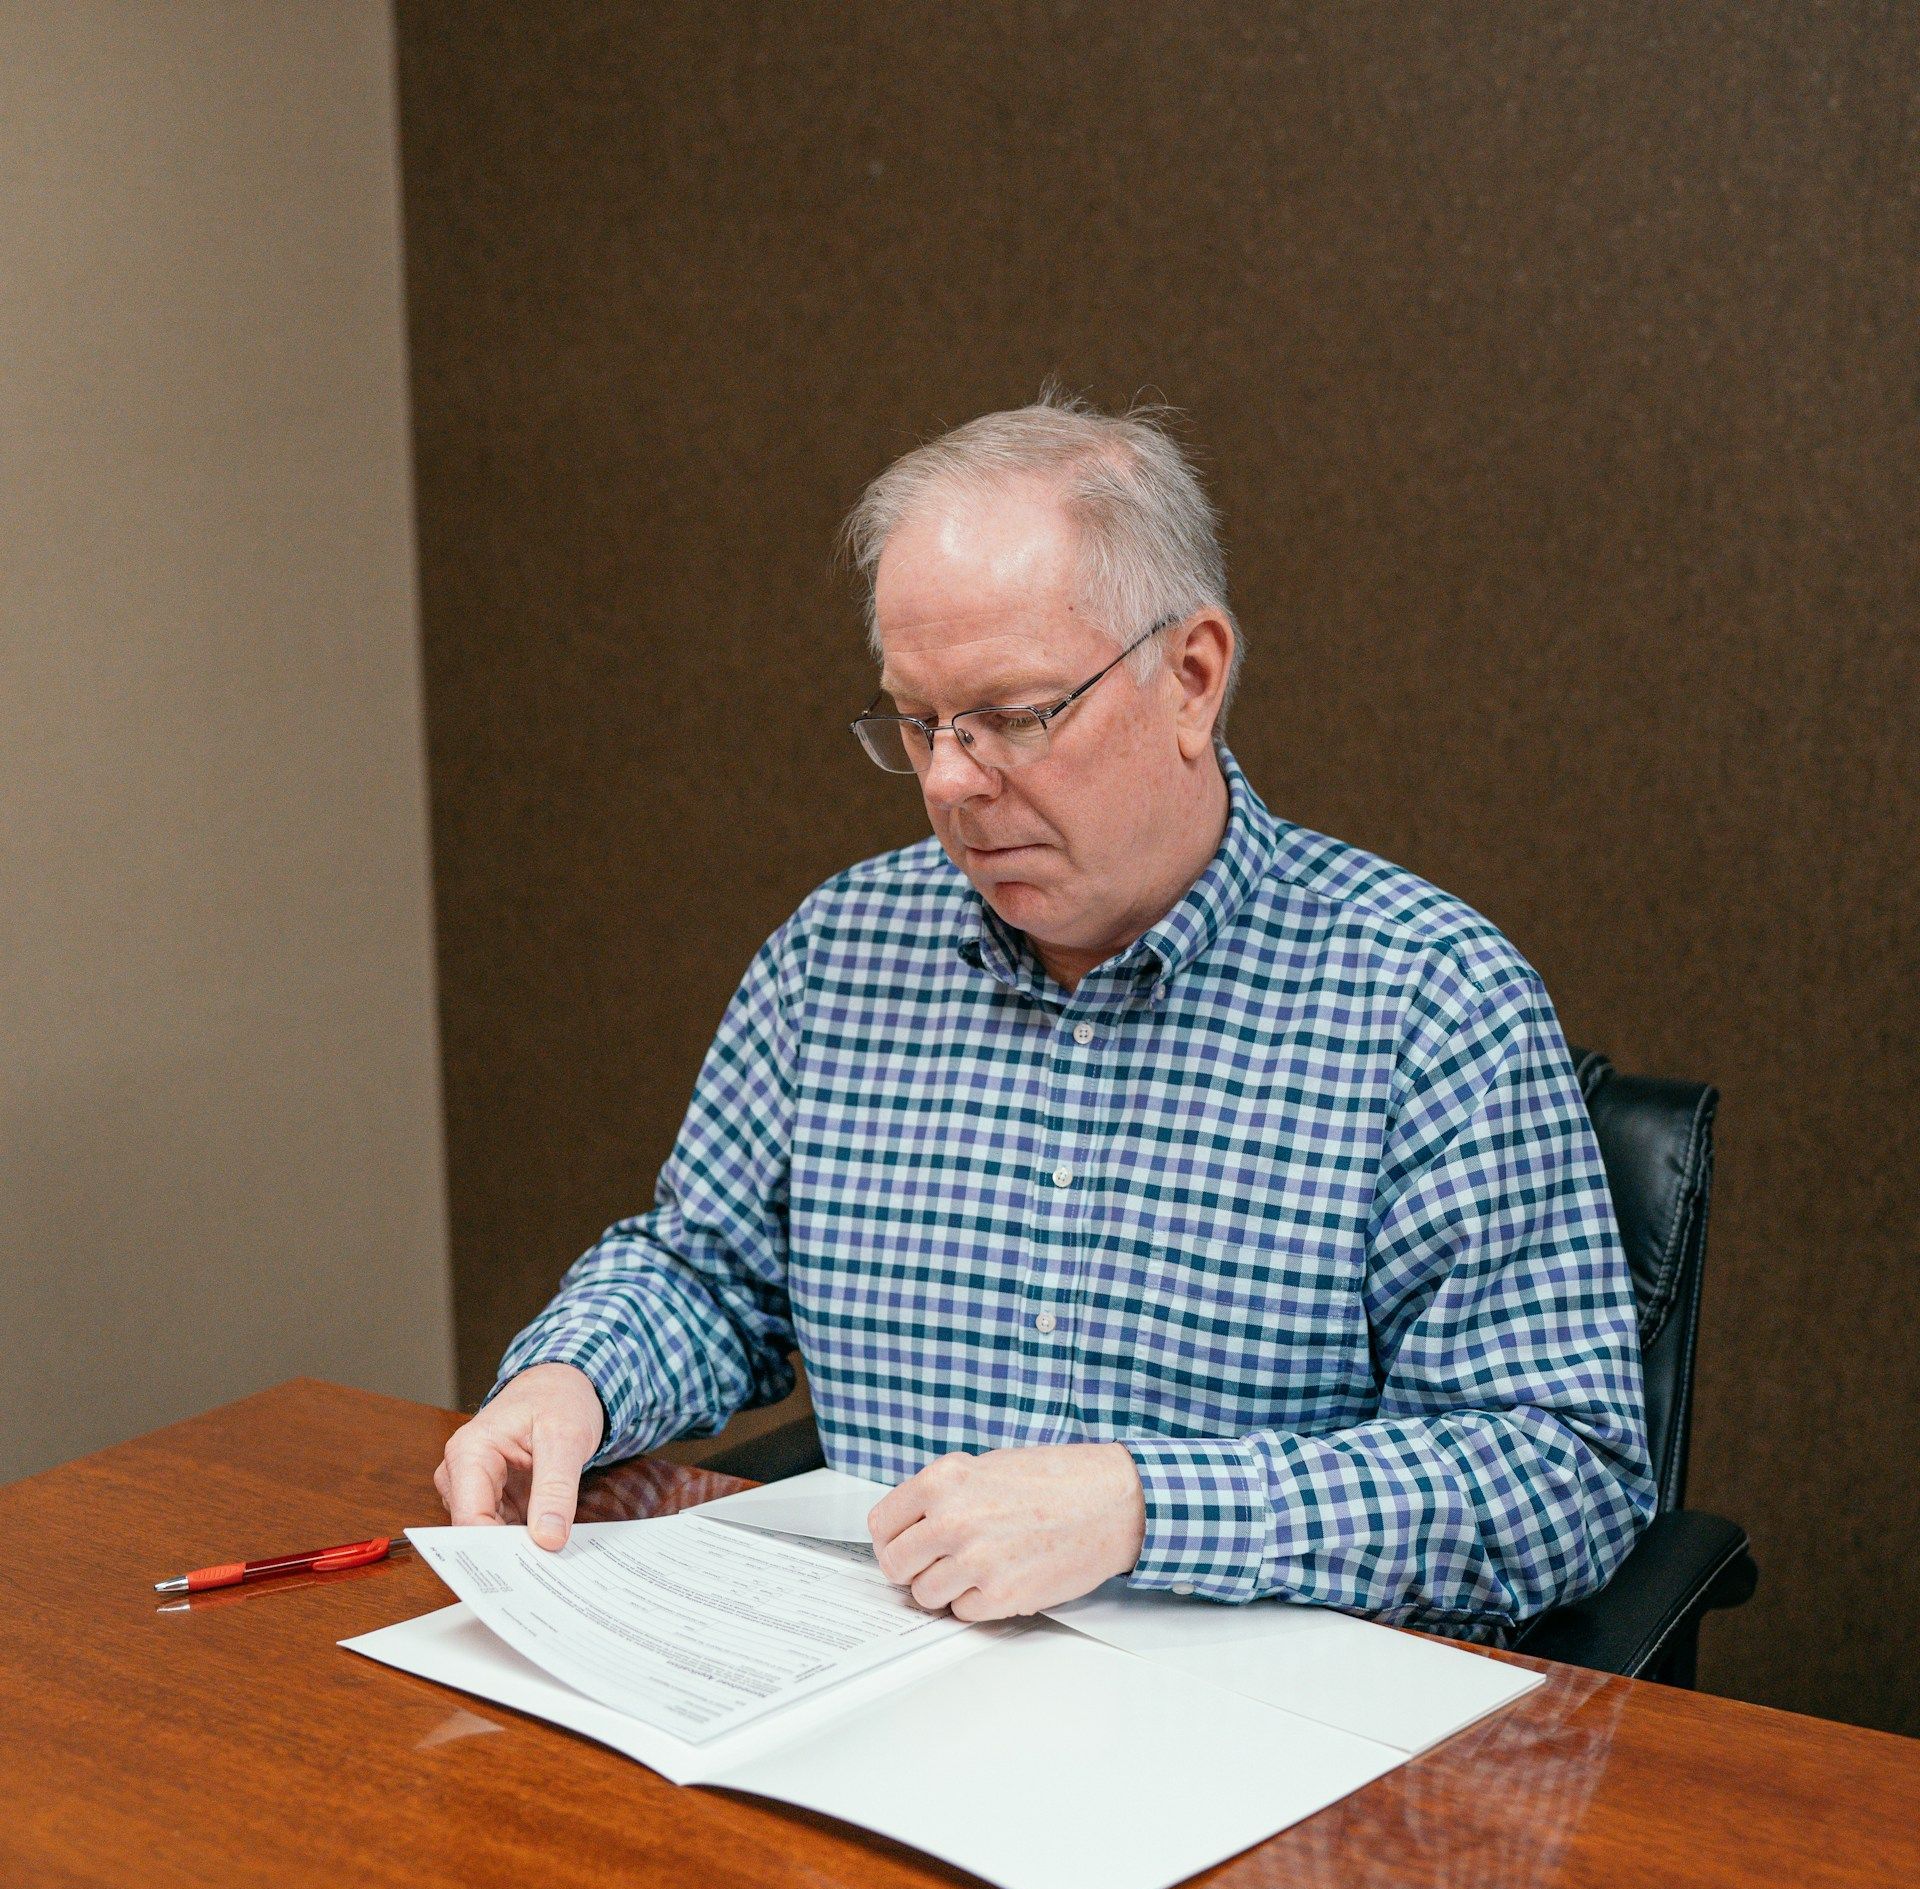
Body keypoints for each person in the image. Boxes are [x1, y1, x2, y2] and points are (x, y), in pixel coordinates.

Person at [437, 394, 1653, 1645]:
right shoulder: (840, 952)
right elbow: (706, 1275)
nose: (954, 781)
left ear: (1193, 678)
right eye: (919, 723)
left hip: (1255, 1744)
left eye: (1016, 716)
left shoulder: (1427, 1000)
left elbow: (1561, 1473)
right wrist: (572, 1376)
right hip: (871, 1696)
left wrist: (1145, 1507)